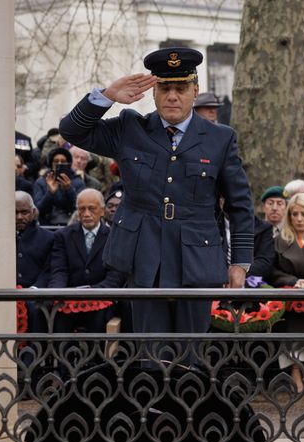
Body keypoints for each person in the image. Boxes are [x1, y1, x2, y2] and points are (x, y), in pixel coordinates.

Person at [59, 46, 254, 334]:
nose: (172, 96)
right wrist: (107, 96)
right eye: (164, 87)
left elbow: (240, 204)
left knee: (191, 358)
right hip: (145, 256)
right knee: (151, 355)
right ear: (153, 91)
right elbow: (71, 131)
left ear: (195, 91)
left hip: (197, 259)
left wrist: (240, 261)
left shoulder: (220, 138)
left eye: (181, 87)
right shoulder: (130, 128)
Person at [48, 189, 125, 333]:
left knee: (98, 319)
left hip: (101, 297)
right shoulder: (63, 236)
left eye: (92, 209)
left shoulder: (115, 237)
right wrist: (57, 293)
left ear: (102, 211)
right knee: (57, 317)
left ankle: (99, 356)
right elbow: (59, 270)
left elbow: (115, 275)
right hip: (70, 299)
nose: (86, 214)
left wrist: (95, 292)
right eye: (82, 209)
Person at [270, 192, 304, 389]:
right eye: (295, 214)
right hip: (291, 300)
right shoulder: (280, 240)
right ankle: (296, 371)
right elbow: (272, 271)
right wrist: (294, 281)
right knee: (294, 334)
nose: (299, 219)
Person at [33, 147, 83, 226]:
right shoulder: (41, 182)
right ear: (51, 164)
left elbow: (80, 208)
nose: (59, 164)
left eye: (63, 161)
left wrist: (69, 189)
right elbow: (38, 210)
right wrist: (50, 193)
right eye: (56, 161)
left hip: (71, 225)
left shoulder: (78, 182)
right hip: (46, 225)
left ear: (68, 164)